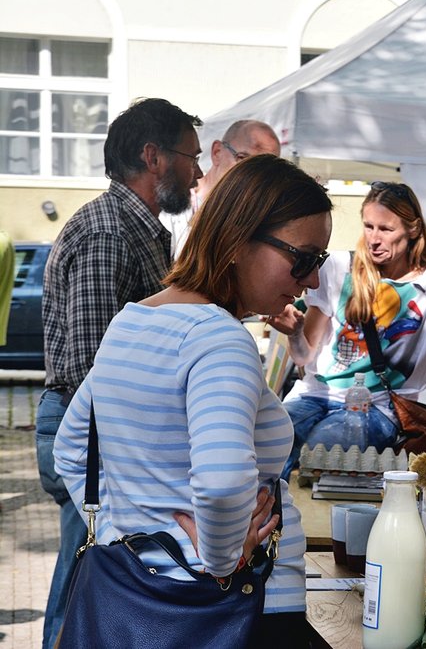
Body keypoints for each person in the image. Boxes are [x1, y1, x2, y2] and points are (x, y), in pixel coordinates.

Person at [54, 154, 331, 646]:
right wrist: (223, 560)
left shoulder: (131, 321)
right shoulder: (219, 338)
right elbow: (223, 482)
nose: (311, 280)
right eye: (305, 259)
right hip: (238, 608)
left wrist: (127, 532)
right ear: (241, 240)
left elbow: (72, 450)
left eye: (320, 263)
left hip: (139, 594)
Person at [37, 97, 202, 649]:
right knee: (83, 588)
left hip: (103, 437)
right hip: (90, 438)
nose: (199, 171)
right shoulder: (107, 234)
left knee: (97, 585)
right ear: (153, 158)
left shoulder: (142, 231)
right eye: (190, 157)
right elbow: (95, 373)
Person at [272, 181, 426, 478]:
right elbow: (303, 358)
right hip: (315, 394)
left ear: (413, 229)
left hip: (379, 407)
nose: (374, 239)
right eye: (368, 226)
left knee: (322, 456)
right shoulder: (337, 267)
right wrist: (294, 333)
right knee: (266, 446)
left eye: (386, 229)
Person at [161, 119, 281, 259]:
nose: (253, 174)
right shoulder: (175, 206)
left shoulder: (261, 220)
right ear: (217, 152)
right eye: (242, 159)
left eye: (267, 169)